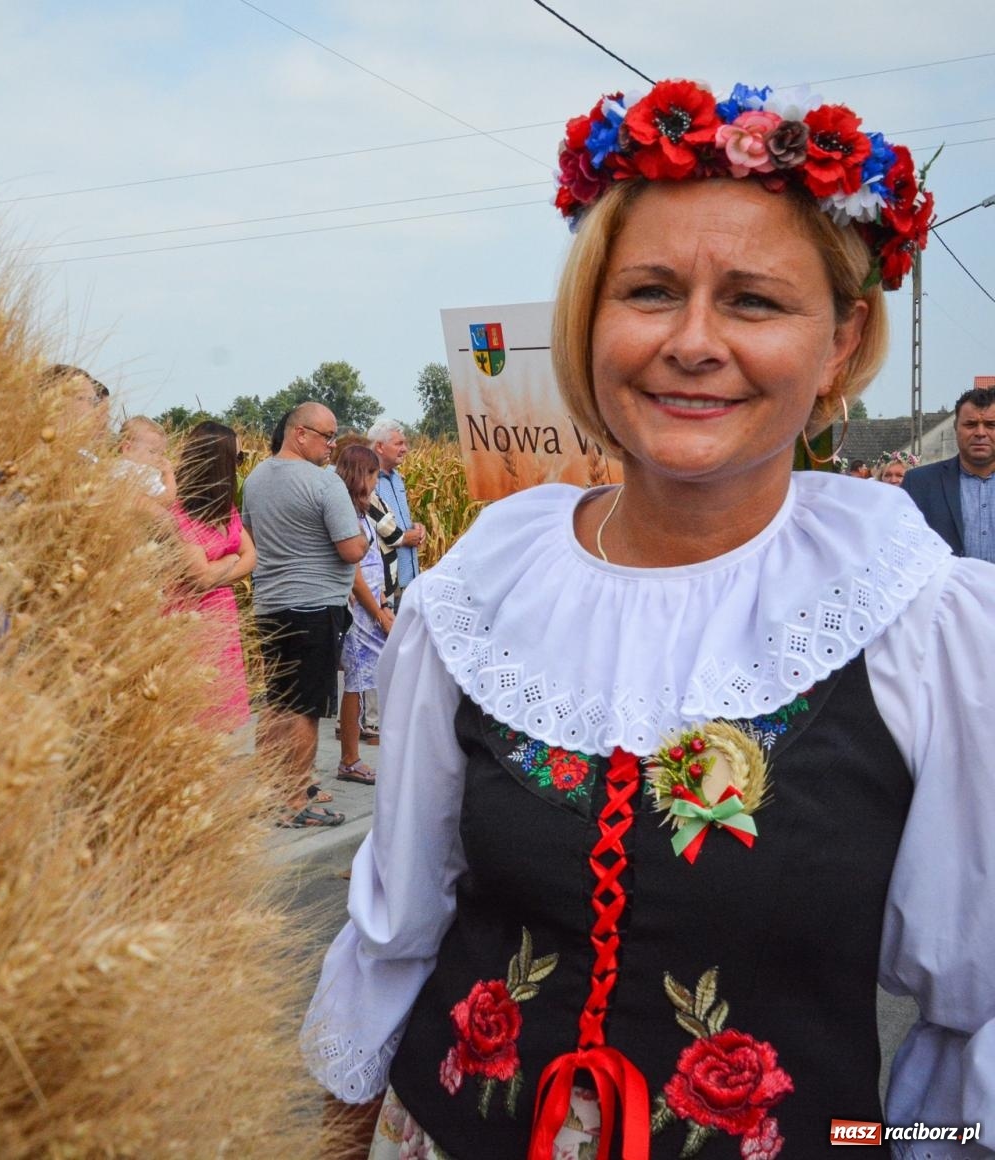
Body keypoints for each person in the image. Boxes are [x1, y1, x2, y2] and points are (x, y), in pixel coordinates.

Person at [304, 78, 993, 1159]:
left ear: (841, 339)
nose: (693, 341)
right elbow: (397, 925)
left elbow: (972, 996)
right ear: (587, 322)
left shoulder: (922, 625)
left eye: (756, 302)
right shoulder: (481, 595)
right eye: (649, 291)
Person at [243, 402, 368, 828]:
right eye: (326, 436)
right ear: (300, 434)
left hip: (271, 605)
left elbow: (254, 536)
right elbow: (350, 549)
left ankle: (270, 786)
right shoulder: (324, 484)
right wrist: (368, 542)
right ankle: (297, 798)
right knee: (305, 709)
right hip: (315, 607)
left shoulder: (256, 479)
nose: (332, 445)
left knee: (277, 702)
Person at [170, 421, 255, 731]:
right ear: (219, 462)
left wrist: (218, 566)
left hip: (223, 624)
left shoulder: (225, 509)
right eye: (239, 457)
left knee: (221, 721)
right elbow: (199, 579)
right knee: (196, 718)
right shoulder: (177, 513)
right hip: (193, 625)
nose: (240, 464)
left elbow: (252, 556)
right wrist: (232, 559)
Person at [333, 444, 394, 787]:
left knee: (373, 678)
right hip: (360, 610)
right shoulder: (345, 514)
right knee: (356, 683)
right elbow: (354, 575)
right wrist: (379, 613)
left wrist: (384, 603)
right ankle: (349, 759)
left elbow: (374, 565)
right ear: (360, 475)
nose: (375, 482)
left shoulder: (364, 512)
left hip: (375, 603)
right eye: (372, 475)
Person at [902, 385, 995, 561]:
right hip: (946, 588)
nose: (980, 433)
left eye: (991, 425)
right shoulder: (919, 483)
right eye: (970, 424)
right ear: (956, 428)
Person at [367, 419, 427, 605]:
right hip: (387, 583)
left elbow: (395, 518)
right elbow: (372, 526)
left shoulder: (397, 479)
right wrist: (403, 538)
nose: (405, 449)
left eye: (405, 443)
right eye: (399, 443)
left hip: (410, 577)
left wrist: (416, 526)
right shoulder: (367, 481)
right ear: (380, 447)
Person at [114, 414, 177, 506]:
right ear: (127, 448)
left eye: (161, 454)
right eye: (153, 451)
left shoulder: (113, 466)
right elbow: (168, 500)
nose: (159, 458)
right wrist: (168, 473)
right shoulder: (143, 473)